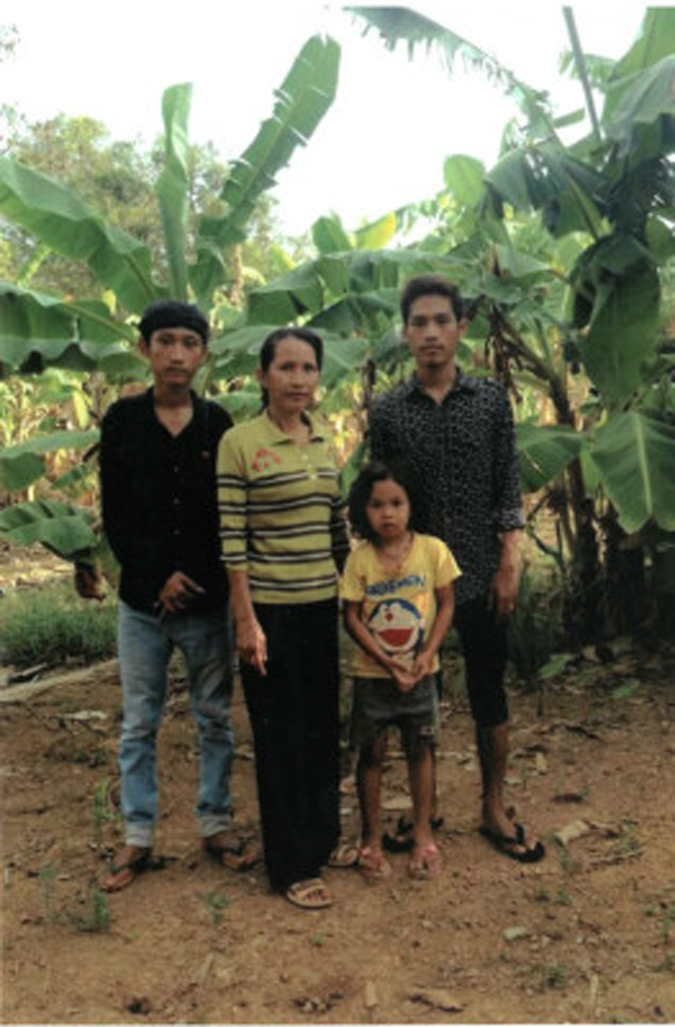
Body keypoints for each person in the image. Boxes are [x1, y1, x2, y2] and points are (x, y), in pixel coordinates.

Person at [369, 275, 545, 863]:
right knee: (421, 697)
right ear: (406, 331)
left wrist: (509, 558)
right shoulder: (388, 409)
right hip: (415, 585)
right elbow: (380, 497)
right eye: (418, 323)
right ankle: (428, 807)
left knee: (489, 689)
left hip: (478, 570)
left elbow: (507, 485)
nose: (430, 333)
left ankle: (494, 807)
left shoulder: (491, 401)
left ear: (460, 329)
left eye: (441, 321)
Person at [99, 299, 240, 892]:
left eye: (189, 341)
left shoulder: (219, 424)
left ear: (204, 353)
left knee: (214, 719)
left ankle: (215, 823)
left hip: (207, 602)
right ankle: (138, 837)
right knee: (139, 724)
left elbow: (227, 515)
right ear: (145, 349)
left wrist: (196, 575)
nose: (177, 353)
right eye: (165, 341)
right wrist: (157, 575)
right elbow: (117, 513)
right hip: (142, 603)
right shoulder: (123, 421)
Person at [217, 326, 353, 910]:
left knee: (322, 729)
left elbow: (337, 529)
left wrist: (354, 602)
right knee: (279, 736)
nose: (299, 379)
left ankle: (323, 837)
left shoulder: (326, 439)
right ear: (263, 376)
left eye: (308, 368)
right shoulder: (241, 442)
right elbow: (232, 539)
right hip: (269, 609)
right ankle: (291, 864)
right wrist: (246, 621)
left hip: (321, 605)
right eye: (287, 368)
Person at [342, 460, 460, 880]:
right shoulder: (360, 560)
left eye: (397, 503)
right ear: (363, 509)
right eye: (376, 504)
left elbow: (446, 602)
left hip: (420, 674)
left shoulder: (433, 551)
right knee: (371, 753)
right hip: (373, 676)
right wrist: (385, 658)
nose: (387, 513)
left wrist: (428, 653)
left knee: (420, 750)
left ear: (413, 506)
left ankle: (423, 834)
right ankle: (371, 838)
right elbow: (352, 616)